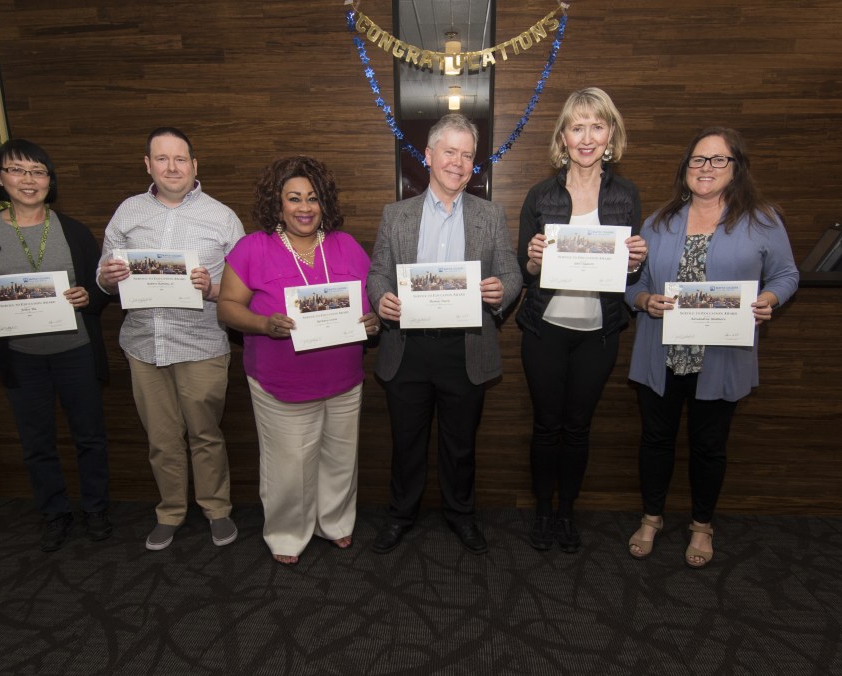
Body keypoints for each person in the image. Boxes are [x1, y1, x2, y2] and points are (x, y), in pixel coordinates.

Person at [625, 127, 799, 568]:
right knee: (656, 441)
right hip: (661, 354)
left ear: (736, 167)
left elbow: (786, 276)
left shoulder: (762, 219)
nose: (706, 168)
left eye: (718, 160)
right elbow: (634, 284)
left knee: (709, 446)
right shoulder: (659, 221)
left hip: (720, 357)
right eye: (698, 160)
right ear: (685, 168)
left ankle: (702, 526)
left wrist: (768, 299)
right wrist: (645, 300)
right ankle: (651, 517)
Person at [368, 113, 522, 555]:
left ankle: (461, 515)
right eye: (449, 152)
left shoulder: (490, 215)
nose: (458, 162)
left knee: (460, 445)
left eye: (467, 154)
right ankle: (401, 515)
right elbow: (377, 273)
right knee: (407, 442)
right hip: (407, 348)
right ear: (430, 156)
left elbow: (511, 273)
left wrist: (501, 290)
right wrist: (381, 300)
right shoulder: (396, 215)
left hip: (465, 349)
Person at [217, 156, 380, 565]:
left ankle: (336, 522)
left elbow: (371, 302)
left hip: (343, 380)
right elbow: (227, 308)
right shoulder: (253, 248)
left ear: (323, 203)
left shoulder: (345, 245)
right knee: (288, 466)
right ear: (278, 202)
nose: (304, 208)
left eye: (312, 198)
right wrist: (262, 323)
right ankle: (287, 533)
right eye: (294, 199)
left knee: (340, 458)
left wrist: (374, 320)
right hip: (281, 382)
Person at [97, 127, 244, 551]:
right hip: (143, 345)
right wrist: (106, 278)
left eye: (180, 159)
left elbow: (242, 289)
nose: (172, 167)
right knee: (161, 439)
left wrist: (212, 288)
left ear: (195, 165)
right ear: (148, 165)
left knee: (205, 435)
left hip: (201, 345)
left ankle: (217, 510)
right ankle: (171, 511)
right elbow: (104, 277)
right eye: (162, 159)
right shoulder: (127, 213)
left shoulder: (222, 217)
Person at [0, 139, 111, 552]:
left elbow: (100, 290)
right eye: (17, 170)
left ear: (49, 180)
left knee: (90, 437)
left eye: (38, 171)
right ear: (0, 178)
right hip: (21, 357)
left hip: (76, 351)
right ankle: (54, 513)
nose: (28, 179)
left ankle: (96, 508)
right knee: (37, 442)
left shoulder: (74, 231)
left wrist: (89, 297)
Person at [516, 87, 648, 552]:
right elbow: (523, 272)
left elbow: (631, 274)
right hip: (545, 329)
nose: (587, 137)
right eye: (578, 127)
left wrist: (636, 259)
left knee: (578, 427)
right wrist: (533, 259)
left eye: (597, 125)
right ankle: (542, 512)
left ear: (610, 134)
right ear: (564, 137)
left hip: (599, 333)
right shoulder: (539, 194)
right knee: (545, 425)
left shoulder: (626, 195)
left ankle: (567, 512)